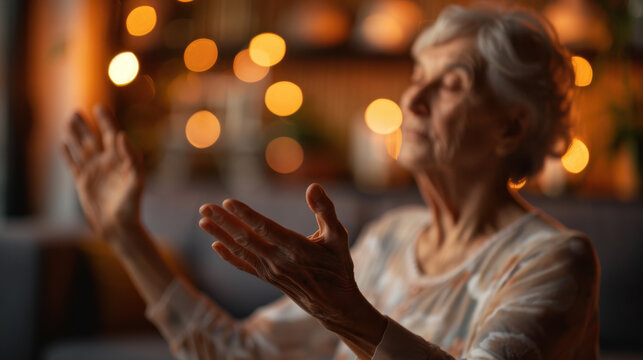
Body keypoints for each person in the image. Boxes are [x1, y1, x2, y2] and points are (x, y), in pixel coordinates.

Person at [61, 4, 599, 360]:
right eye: (417, 77)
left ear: (511, 125)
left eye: (451, 85)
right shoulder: (391, 237)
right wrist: (126, 237)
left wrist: (349, 316)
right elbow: (238, 353)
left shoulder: (554, 259)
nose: (412, 100)